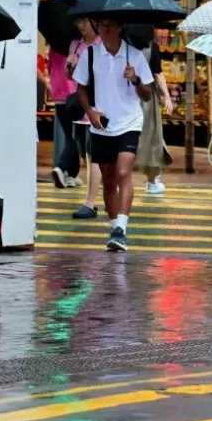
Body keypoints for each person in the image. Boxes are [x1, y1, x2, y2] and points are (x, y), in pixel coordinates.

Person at [73, 17, 153, 252]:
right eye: (102, 25)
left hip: (129, 123)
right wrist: (90, 111)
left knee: (122, 172)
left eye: (110, 25)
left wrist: (135, 79)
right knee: (108, 179)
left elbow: (147, 95)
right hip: (101, 124)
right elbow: (80, 88)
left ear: (120, 27)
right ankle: (115, 226)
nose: (105, 28)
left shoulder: (135, 56)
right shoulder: (90, 55)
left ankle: (122, 229)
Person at [51, 17, 97, 189]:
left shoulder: (101, 44)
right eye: (78, 22)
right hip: (77, 99)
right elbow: (70, 76)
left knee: (84, 142)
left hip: (97, 101)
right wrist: (70, 66)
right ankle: (68, 172)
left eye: (84, 21)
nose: (81, 25)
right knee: (77, 138)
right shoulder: (74, 45)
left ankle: (69, 172)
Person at [136, 36, 174, 194]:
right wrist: (166, 95)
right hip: (147, 97)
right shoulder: (151, 46)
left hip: (124, 94)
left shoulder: (120, 43)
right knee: (152, 136)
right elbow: (157, 73)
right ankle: (152, 181)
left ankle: (116, 180)